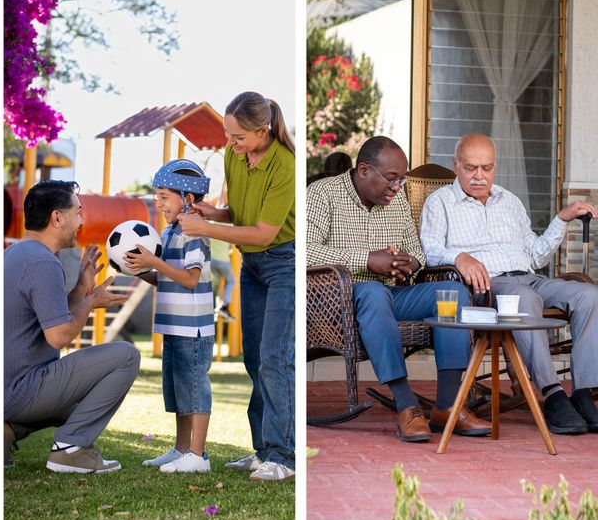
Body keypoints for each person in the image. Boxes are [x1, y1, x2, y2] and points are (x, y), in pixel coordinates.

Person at [307, 136, 488, 442]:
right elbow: (306, 252)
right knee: (373, 293)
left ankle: (448, 405)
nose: (397, 187)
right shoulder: (323, 194)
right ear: (364, 170)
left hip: (392, 295)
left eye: (402, 180)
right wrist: (366, 260)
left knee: (451, 293)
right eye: (391, 179)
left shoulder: (397, 201)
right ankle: (406, 405)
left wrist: (407, 263)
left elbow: (416, 250)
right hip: (335, 301)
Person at [421, 133, 598, 434]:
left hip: (530, 278)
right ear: (455, 166)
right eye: (471, 167)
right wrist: (461, 257)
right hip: (489, 287)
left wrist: (562, 218)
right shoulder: (440, 202)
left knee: (589, 295)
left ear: (495, 167)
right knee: (522, 297)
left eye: (487, 168)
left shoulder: (509, 200)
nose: (479, 176)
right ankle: (553, 393)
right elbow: (431, 248)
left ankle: (584, 393)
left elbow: (537, 255)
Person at [177, 91, 295, 481]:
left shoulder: (286, 164)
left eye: (238, 137)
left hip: (284, 263)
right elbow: (242, 214)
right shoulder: (235, 155)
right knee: (254, 359)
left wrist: (207, 227)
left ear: (263, 131)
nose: (231, 143)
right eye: (228, 135)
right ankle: (263, 451)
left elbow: (264, 231)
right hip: (253, 265)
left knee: (276, 359)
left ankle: (285, 456)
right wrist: (215, 211)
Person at [3, 180, 139, 473]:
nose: (82, 221)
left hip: (7, 391)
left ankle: (7, 432)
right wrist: (91, 303)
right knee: (126, 356)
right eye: (78, 212)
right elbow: (59, 336)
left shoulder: (16, 253)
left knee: (86, 383)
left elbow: (49, 316)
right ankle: (71, 448)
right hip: (22, 390)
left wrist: (81, 288)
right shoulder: (43, 262)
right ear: (57, 217)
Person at [123, 160, 216, 473]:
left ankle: (198, 455)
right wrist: (141, 268)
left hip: (194, 330)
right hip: (174, 327)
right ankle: (181, 450)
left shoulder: (195, 233)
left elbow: (190, 278)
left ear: (187, 198)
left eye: (164, 197)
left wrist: (154, 261)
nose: (157, 203)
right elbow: (168, 276)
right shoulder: (170, 231)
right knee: (178, 391)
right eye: (156, 196)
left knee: (193, 389)